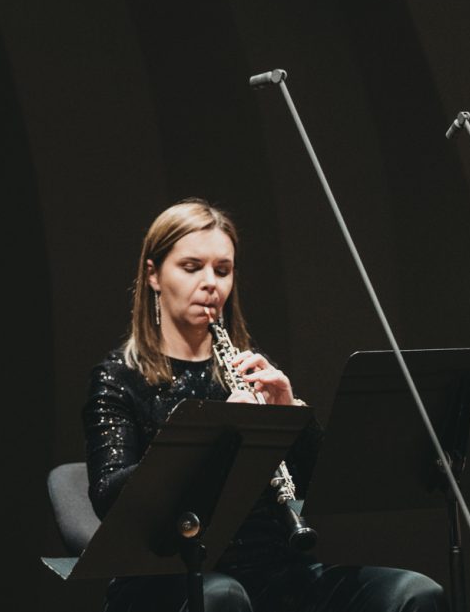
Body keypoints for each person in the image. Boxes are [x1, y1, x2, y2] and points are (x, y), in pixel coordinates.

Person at [84, 199, 445, 612]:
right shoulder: (119, 377)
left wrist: (293, 416)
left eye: (223, 270)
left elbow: (321, 490)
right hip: (170, 574)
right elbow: (109, 496)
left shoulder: (248, 367)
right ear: (153, 275)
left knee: (414, 593)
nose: (211, 284)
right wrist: (213, 433)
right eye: (191, 267)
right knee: (224, 597)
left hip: (273, 570)